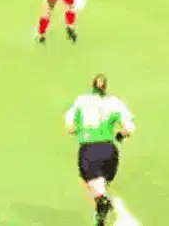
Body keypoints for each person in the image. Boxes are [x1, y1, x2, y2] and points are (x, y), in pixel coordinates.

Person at [64, 74, 136, 226]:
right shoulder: (115, 102)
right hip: (110, 151)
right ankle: (103, 214)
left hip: (89, 150)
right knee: (101, 183)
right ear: (105, 87)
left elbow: (70, 127)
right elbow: (128, 128)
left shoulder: (81, 101)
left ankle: (105, 205)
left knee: (87, 183)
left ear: (92, 85)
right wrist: (119, 136)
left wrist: (80, 131)